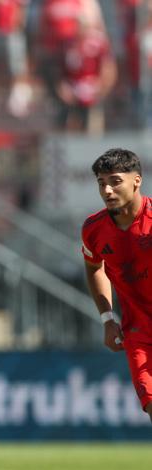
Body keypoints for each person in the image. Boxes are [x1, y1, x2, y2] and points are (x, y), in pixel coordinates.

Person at [82, 148, 152, 423]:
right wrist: (108, 318)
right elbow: (93, 267)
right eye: (102, 183)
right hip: (138, 332)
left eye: (115, 181)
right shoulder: (93, 229)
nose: (107, 190)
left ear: (137, 181)